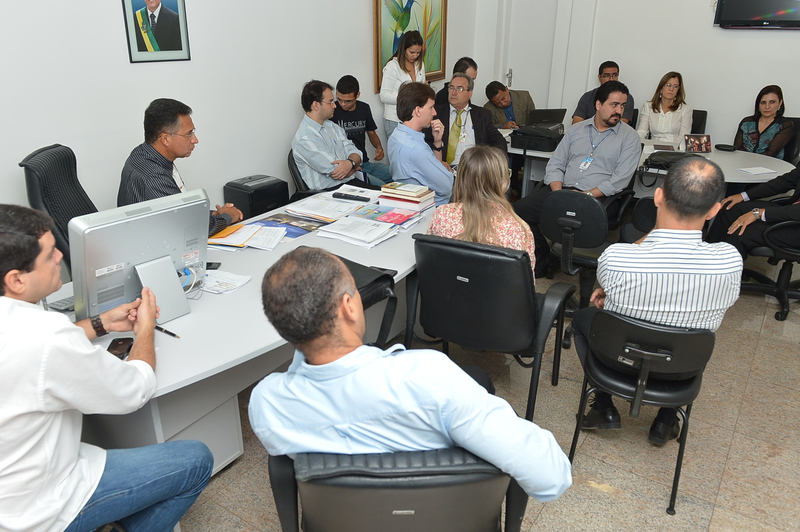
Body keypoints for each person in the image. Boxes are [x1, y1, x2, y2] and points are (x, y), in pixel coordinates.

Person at [247, 246, 572, 501]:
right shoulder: (430, 377)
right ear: (349, 306)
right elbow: (552, 477)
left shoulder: (267, 404)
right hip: (440, 512)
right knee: (478, 381)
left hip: (351, 518)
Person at [0, 204, 213, 532]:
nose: (60, 256)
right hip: (37, 509)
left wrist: (101, 324)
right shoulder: (46, 336)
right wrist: (145, 330)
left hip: (13, 480)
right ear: (16, 280)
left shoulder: (31, 330)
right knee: (196, 461)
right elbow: (133, 390)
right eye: (50, 254)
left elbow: (32, 348)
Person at [572, 157, 742, 445]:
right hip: (681, 370)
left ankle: (603, 406)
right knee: (694, 329)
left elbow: (625, 267)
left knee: (582, 319)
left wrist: (612, 291)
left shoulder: (617, 258)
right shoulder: (729, 261)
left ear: (658, 196)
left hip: (617, 360)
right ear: (714, 210)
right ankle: (666, 419)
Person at [513, 81, 641, 276]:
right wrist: (558, 194)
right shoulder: (576, 130)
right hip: (563, 189)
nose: (619, 111)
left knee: (574, 219)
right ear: (598, 104)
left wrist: (585, 195)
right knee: (518, 211)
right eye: (614, 105)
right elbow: (556, 164)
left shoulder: (630, 137)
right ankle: (545, 257)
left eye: (622, 106)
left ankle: (558, 260)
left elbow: (620, 180)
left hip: (599, 196)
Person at [118, 98, 243, 236]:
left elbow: (177, 211)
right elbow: (191, 227)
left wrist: (215, 214)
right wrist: (229, 216)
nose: (195, 140)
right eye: (189, 134)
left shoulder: (142, 153)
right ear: (165, 139)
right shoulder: (153, 176)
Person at [427, 146, 536, 276]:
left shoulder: (441, 215)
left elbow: (431, 261)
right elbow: (526, 284)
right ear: (503, 183)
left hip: (448, 288)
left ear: (461, 178)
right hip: (496, 290)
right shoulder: (519, 230)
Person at [292, 80, 379, 191]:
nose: (335, 106)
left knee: (386, 195)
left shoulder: (332, 126)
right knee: (382, 197)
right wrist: (353, 166)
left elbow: (356, 152)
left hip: (350, 184)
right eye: (330, 102)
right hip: (330, 193)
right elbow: (337, 172)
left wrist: (350, 163)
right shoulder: (305, 138)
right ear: (316, 105)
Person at [707, 165, 800, 258]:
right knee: (730, 208)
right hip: (791, 210)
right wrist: (743, 196)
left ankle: (724, 266)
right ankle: (707, 256)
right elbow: (787, 181)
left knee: (743, 231)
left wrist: (759, 213)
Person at [388, 82, 455, 205]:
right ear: (418, 110)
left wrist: (437, 142)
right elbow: (447, 186)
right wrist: (448, 173)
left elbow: (434, 169)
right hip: (434, 206)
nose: (434, 112)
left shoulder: (396, 134)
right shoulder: (416, 148)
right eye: (431, 107)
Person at [424, 73, 508, 167]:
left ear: (470, 93)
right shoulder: (435, 113)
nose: (453, 93)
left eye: (459, 89)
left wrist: (491, 163)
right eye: (451, 88)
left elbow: (498, 140)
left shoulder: (482, 115)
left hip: (474, 169)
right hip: (445, 168)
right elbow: (425, 142)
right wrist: (438, 162)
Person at [331, 75, 392, 185]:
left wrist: (378, 147)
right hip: (349, 167)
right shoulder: (332, 111)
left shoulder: (364, 108)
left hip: (365, 163)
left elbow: (371, 132)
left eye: (348, 101)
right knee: (382, 186)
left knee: (398, 173)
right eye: (339, 100)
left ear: (358, 95)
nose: (343, 104)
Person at [380, 30, 426, 139]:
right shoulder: (392, 66)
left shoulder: (419, 64)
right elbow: (383, 96)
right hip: (395, 120)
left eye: (418, 53)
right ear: (403, 49)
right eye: (412, 52)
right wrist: (408, 98)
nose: (415, 56)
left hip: (414, 118)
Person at [733, 85, 794, 160]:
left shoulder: (785, 125)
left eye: (772, 102)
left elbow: (771, 153)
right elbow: (737, 149)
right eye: (763, 102)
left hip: (770, 164)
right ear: (758, 104)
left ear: (780, 103)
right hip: (743, 163)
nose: (767, 107)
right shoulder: (746, 123)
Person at [636, 71, 693, 144]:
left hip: (675, 148)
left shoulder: (685, 110)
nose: (671, 89)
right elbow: (642, 132)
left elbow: (683, 137)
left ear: (678, 91)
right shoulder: (648, 106)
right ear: (661, 88)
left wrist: (673, 149)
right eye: (668, 85)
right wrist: (637, 143)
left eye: (675, 86)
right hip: (652, 147)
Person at [572, 61, 635, 125]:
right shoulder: (588, 96)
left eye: (614, 75)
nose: (611, 79)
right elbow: (576, 123)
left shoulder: (625, 97)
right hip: (588, 130)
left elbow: (622, 125)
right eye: (607, 75)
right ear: (599, 77)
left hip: (614, 131)